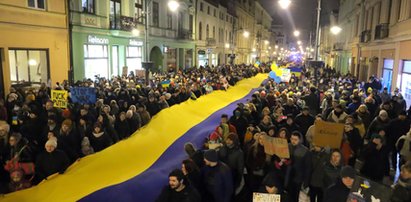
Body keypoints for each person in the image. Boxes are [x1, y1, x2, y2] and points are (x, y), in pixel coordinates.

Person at [287, 131, 311, 202]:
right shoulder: (287, 147)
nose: (293, 141)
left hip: (298, 179)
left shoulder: (305, 151)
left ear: (300, 140)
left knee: (296, 198)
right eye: (292, 139)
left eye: (295, 139)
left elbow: (308, 168)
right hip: (288, 178)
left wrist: (306, 182)